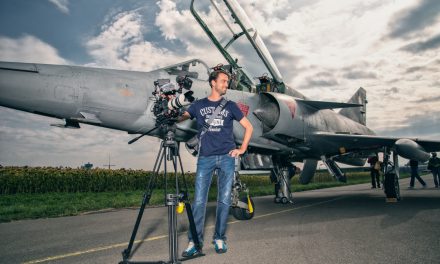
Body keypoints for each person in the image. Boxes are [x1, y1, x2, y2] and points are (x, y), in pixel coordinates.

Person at [178, 68, 253, 256]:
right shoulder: (198, 105)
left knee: (225, 200)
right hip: (205, 158)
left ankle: (219, 238)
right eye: (223, 81)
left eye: (227, 82)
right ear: (213, 82)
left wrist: (242, 149)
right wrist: (173, 109)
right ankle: (194, 242)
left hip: (227, 157)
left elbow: (248, 127)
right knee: (199, 201)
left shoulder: (230, 105)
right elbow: (181, 117)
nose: (226, 85)